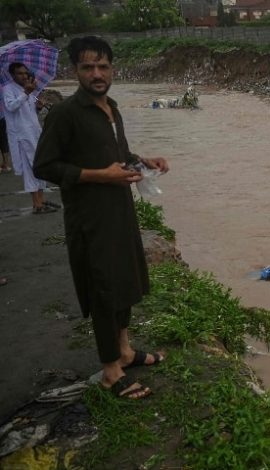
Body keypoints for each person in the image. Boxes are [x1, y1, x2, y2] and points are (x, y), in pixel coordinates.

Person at [34, 36, 169, 400]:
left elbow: (117, 153)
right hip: (89, 218)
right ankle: (110, 370)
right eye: (88, 67)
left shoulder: (112, 107)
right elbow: (43, 165)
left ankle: (124, 351)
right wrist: (99, 176)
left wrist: (144, 160)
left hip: (120, 211)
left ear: (112, 68)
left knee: (125, 280)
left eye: (103, 66)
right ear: (75, 70)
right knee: (103, 289)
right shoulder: (65, 115)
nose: (97, 74)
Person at [3, 63, 57, 214]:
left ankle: (41, 200)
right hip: (22, 136)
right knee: (31, 169)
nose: (24, 76)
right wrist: (25, 93)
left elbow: (29, 112)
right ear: (12, 75)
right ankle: (37, 204)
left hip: (35, 133)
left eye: (25, 73)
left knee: (40, 165)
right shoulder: (9, 89)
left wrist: (38, 107)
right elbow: (11, 106)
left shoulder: (27, 89)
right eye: (20, 73)